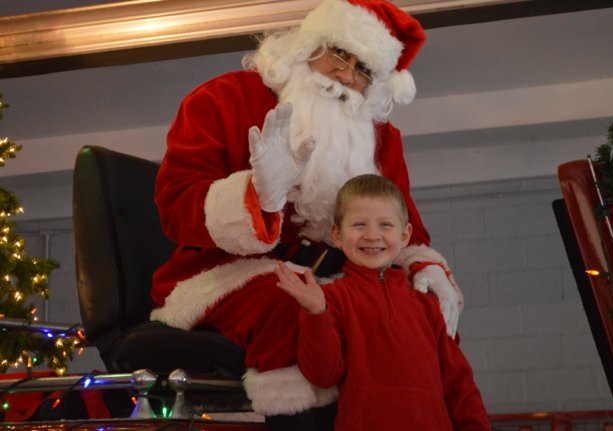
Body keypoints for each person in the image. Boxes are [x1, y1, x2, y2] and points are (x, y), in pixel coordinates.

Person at [150, 0, 464, 428]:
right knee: (294, 304)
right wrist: (258, 194)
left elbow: (406, 224)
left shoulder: (381, 138)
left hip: (342, 276)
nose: (345, 76)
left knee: (417, 311)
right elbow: (176, 205)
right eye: (339, 54)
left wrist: (426, 268)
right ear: (308, 45)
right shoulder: (221, 98)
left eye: (363, 70)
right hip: (226, 272)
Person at [275, 174, 489, 431]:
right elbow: (323, 375)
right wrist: (316, 312)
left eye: (385, 225)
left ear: (405, 235)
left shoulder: (426, 305)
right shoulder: (331, 298)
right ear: (337, 234)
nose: (372, 235)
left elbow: (459, 383)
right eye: (359, 225)